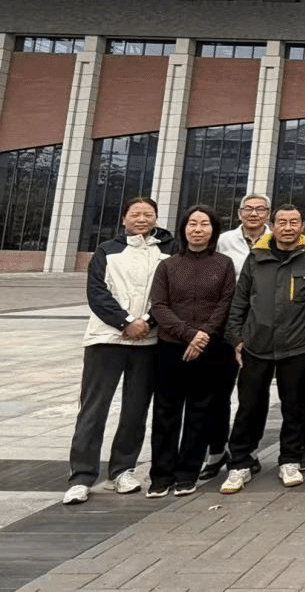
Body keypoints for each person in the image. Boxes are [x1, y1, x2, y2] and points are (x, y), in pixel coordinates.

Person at [63, 197, 174, 506]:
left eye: (148, 214)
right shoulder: (107, 250)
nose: (142, 219)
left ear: (156, 218)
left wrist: (147, 322)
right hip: (106, 339)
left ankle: (123, 470)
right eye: (135, 214)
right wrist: (125, 322)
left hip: (147, 341)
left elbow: (168, 294)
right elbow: (97, 292)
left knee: (135, 410)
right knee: (93, 409)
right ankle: (81, 476)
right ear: (124, 218)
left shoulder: (167, 252)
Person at [220, 204, 305, 494]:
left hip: (298, 344)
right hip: (256, 343)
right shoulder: (256, 256)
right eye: (282, 222)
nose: (288, 227)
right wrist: (235, 337)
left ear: (303, 226)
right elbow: (240, 299)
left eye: (294, 222)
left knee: (295, 407)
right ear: (273, 225)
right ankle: (240, 462)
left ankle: (290, 460)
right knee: (249, 406)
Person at [146, 205, 236, 498]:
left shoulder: (223, 264)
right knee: (166, 412)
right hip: (171, 347)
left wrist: (203, 336)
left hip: (209, 349)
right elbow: (159, 306)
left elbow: (225, 304)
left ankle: (187, 473)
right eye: (192, 224)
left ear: (213, 230)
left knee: (200, 412)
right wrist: (189, 335)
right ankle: (161, 475)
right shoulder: (168, 266)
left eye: (204, 224)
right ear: (184, 229)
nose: (198, 229)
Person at [201, 193, 270, 481]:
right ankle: (217, 450)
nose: (254, 214)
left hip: (260, 329)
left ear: (268, 213)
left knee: (254, 394)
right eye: (248, 209)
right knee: (217, 392)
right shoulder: (223, 241)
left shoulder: (276, 240)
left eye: (260, 209)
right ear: (239, 212)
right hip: (223, 327)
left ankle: (249, 449)